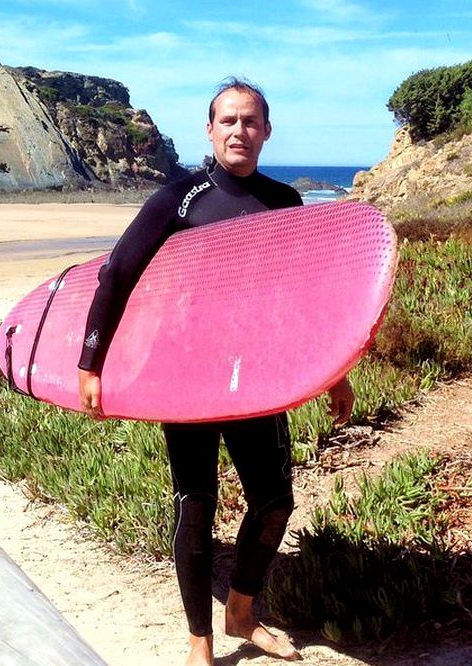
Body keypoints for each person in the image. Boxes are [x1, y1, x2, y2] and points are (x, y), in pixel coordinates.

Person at [77, 78, 355, 665]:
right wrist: (91, 362)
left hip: (254, 376)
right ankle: (199, 644)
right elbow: (117, 274)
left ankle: (241, 611)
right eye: (227, 120)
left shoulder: (285, 202)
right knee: (196, 505)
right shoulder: (181, 197)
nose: (239, 130)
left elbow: (303, 299)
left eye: (250, 121)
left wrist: (335, 372)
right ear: (210, 130)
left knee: (275, 499)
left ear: (267, 130)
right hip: (189, 377)